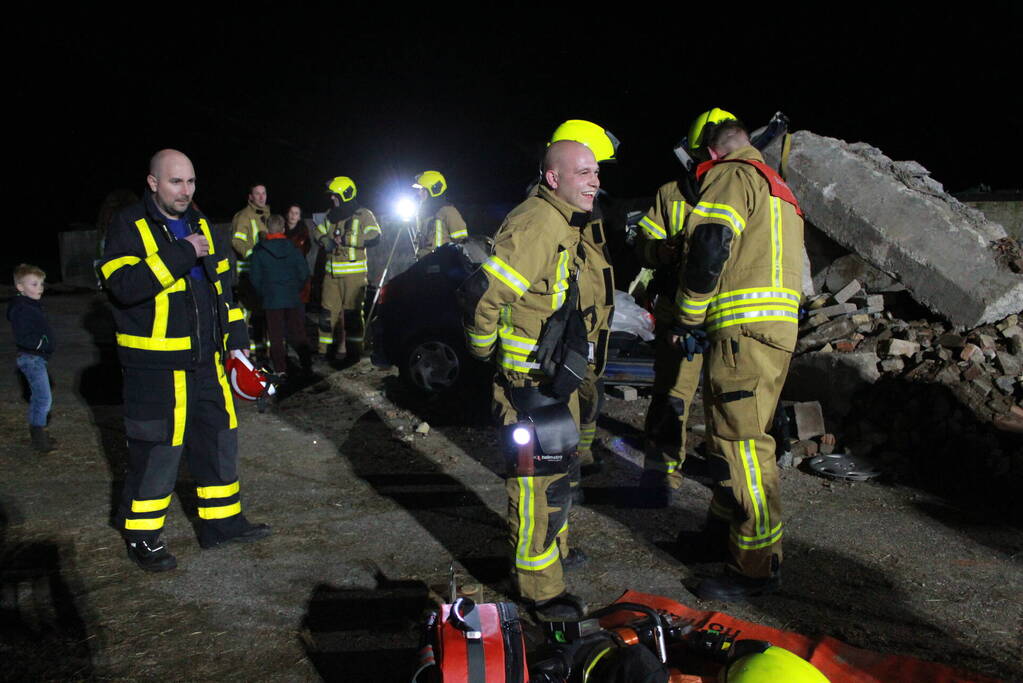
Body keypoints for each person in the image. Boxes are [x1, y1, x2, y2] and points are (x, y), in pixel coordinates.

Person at [100, 149, 271, 572]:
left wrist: (236, 343)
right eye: (175, 181)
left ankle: (222, 523)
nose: (185, 190)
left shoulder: (202, 225)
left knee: (218, 439)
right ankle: (142, 537)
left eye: (191, 182)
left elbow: (225, 293)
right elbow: (122, 285)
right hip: (156, 369)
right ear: (153, 182)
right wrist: (180, 253)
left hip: (207, 363)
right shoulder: (127, 226)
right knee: (158, 451)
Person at [460, 139, 601, 621]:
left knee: (558, 480)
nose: (595, 181)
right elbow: (483, 294)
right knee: (536, 488)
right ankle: (539, 590)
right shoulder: (538, 220)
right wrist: (483, 351)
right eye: (583, 172)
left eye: (596, 172)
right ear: (554, 178)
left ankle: (554, 560)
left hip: (552, 381)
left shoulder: (563, 220)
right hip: (527, 385)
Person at [673, 112, 804, 600]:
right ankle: (721, 536)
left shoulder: (729, 175)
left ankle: (754, 566)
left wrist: (687, 317)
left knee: (742, 445)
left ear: (708, 151)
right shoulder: (777, 188)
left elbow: (710, 246)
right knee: (731, 436)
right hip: (771, 334)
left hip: (741, 333)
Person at [545, 119, 620, 566]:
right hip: (565, 350)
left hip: (585, 342)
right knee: (553, 459)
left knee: (578, 427)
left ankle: (561, 538)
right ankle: (553, 550)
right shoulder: (552, 220)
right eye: (589, 170)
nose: (597, 179)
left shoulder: (584, 216)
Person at [314, 176, 380, 360]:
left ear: (345, 195)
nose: (332, 199)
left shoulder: (364, 214)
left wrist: (347, 240)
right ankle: (323, 351)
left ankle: (354, 351)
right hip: (331, 275)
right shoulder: (330, 215)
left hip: (354, 275)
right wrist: (324, 239)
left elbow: (375, 237)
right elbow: (318, 231)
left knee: (352, 315)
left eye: (335, 196)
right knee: (326, 315)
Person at [249, 214, 312, 379]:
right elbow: (304, 272)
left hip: (271, 300)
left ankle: (280, 370)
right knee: (298, 333)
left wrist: (266, 292)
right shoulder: (293, 249)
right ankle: (307, 365)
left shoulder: (259, 251)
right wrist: (294, 289)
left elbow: (255, 278)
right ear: (283, 229)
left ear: (268, 229)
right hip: (292, 298)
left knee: (275, 336)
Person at [7, 264, 56, 452]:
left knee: (41, 398)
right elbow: (24, 336)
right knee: (43, 399)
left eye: (41, 284)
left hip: (36, 358)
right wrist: (41, 345)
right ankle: (39, 439)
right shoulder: (22, 308)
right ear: (20, 287)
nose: (40, 288)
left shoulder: (30, 305)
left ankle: (39, 434)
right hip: (31, 358)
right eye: (34, 284)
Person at [231, 184, 271, 358]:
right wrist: (254, 256)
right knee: (246, 312)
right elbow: (237, 242)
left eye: (264, 193)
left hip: (264, 273)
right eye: (257, 194)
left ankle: (264, 350)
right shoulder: (244, 216)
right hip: (248, 273)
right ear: (250, 197)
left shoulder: (267, 216)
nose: (261, 197)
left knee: (263, 311)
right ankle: (243, 351)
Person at [412, 170, 468, 258]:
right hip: (424, 263)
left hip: (443, 264)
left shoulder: (448, 211)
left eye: (422, 189)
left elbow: (462, 241)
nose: (419, 193)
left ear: (434, 190)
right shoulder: (422, 214)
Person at [284, 204, 313, 307]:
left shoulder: (303, 233)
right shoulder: (280, 231)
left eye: (296, 213)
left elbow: (305, 250)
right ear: (287, 214)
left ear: (299, 217)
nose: (293, 216)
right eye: (291, 212)